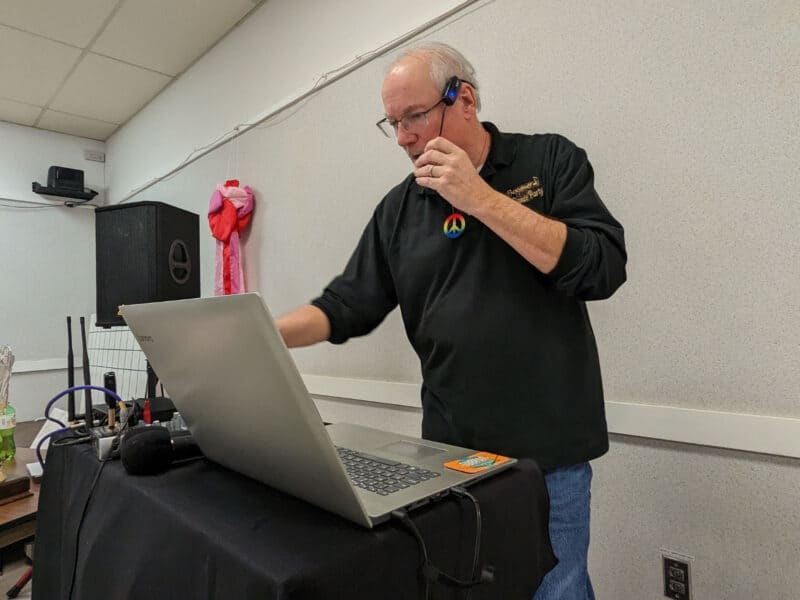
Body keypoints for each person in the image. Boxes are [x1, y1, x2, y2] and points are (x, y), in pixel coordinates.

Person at [276, 42, 626, 600]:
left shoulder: (550, 160)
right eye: (392, 123)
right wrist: (266, 336)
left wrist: (479, 196)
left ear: (463, 98)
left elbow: (602, 267)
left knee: (556, 591)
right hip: (451, 458)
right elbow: (346, 304)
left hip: (549, 457)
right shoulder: (398, 209)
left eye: (414, 116)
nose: (403, 137)